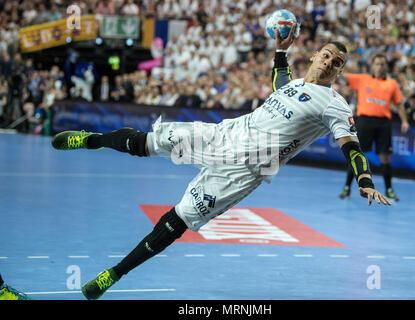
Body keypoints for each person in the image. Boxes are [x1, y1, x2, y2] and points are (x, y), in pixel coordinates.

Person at [51, 26, 391, 300]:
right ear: (316, 55)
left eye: (337, 63)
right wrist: (280, 52)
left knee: (178, 218)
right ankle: (91, 140)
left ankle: (114, 274)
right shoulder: (297, 84)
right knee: (147, 142)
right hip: (228, 134)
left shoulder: (334, 104)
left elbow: (352, 146)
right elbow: (280, 87)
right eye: (327, 56)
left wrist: (365, 180)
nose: (330, 63)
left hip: (248, 168)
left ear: (340, 71)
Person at [338, 53, 410, 201]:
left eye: (382, 64)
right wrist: (336, 64)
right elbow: (343, 77)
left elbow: (399, 104)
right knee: (356, 155)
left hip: (383, 123)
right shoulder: (363, 79)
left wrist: (404, 121)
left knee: (385, 157)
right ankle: (346, 187)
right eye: (377, 63)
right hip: (364, 121)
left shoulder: (391, 84)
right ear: (372, 65)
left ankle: (389, 189)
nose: (379, 66)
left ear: (386, 67)